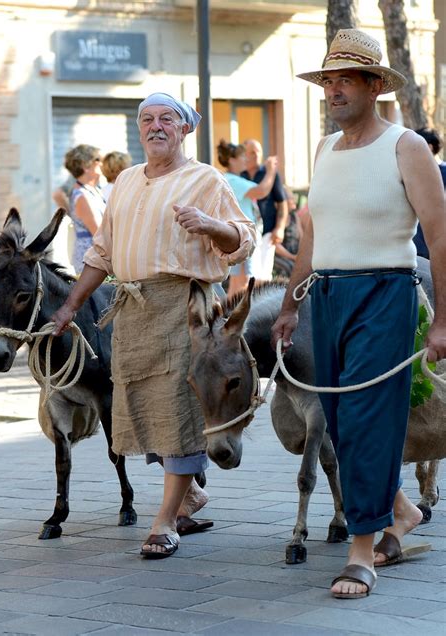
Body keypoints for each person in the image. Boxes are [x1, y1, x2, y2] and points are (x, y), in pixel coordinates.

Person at [272, 29, 446, 599]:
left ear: (375, 86)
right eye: (327, 81)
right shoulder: (323, 150)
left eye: (346, 79)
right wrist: (291, 307)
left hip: (386, 292)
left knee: (369, 415)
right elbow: (311, 234)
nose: (334, 91)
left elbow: (439, 239)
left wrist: (442, 320)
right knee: (340, 423)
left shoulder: (406, 146)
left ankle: (361, 549)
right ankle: (402, 511)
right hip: (326, 295)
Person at [51, 92, 256, 559]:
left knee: (181, 408)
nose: (156, 126)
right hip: (135, 308)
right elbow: (101, 252)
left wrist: (210, 224)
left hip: (187, 307)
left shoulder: (204, 179)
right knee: (141, 405)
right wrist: (69, 307)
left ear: (185, 129)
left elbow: (243, 237)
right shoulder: (123, 180)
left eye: (167, 118)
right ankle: (186, 497)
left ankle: (164, 521)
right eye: (147, 119)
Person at [217, 139, 277, 297]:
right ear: (232, 160)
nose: (245, 159)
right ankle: (235, 319)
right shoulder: (232, 180)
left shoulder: (232, 179)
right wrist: (271, 170)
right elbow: (261, 191)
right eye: (242, 157)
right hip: (244, 237)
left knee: (237, 283)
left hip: (240, 236)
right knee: (244, 283)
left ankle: (226, 318)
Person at [242, 139, 288, 280]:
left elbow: (282, 203)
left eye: (258, 152)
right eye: (251, 152)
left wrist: (279, 228)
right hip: (246, 234)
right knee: (247, 278)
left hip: (267, 233)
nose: (255, 155)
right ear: (244, 155)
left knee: (263, 277)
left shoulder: (270, 173)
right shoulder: (240, 175)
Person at [64, 145, 107, 274]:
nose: (101, 162)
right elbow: (99, 232)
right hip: (90, 260)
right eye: (97, 159)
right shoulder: (82, 196)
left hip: (97, 256)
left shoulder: (94, 190)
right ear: (86, 166)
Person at [413, 127, 446, 259]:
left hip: (437, 239)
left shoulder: (444, 171)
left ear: (429, 147)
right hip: (417, 241)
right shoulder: (413, 171)